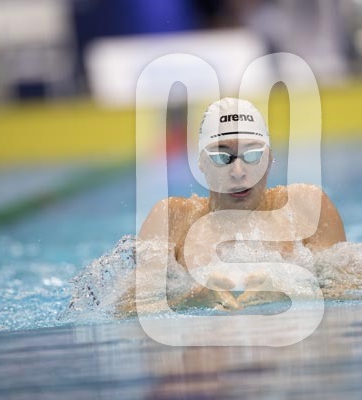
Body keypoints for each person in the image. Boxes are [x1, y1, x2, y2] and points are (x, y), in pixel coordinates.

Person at [115, 98, 346, 315]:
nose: (238, 172)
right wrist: (188, 302)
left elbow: (353, 288)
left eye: (252, 155)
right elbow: (125, 310)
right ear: (201, 163)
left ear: (269, 158)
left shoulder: (306, 207)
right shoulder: (171, 219)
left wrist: (289, 294)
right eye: (221, 157)